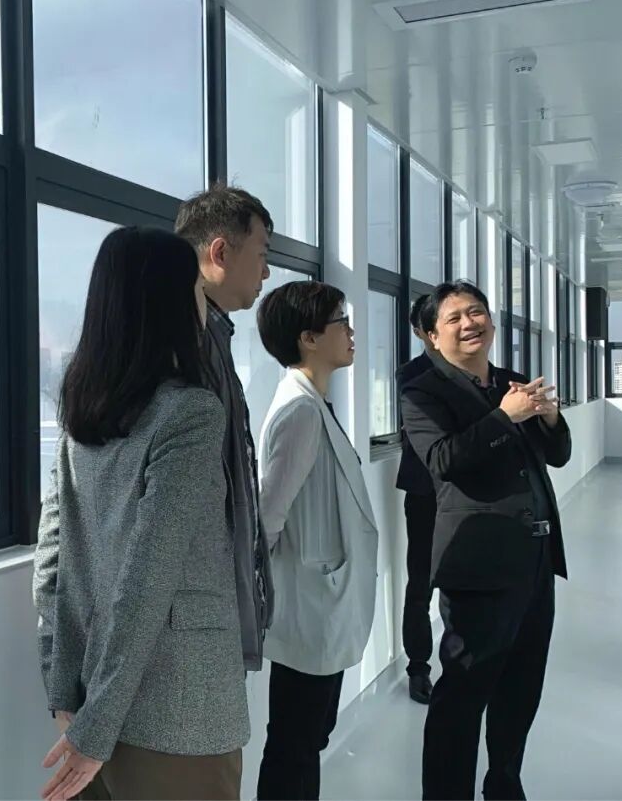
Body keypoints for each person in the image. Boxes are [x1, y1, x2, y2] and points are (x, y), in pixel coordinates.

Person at [32, 228, 248, 801]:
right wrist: (95, 727)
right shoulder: (190, 413)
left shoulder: (81, 414)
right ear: (170, 302)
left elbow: (52, 561)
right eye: (196, 287)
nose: (203, 301)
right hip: (180, 711)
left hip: (89, 699)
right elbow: (148, 578)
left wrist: (65, 689)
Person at [400, 280, 572, 801]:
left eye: (476, 312)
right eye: (454, 318)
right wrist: (504, 417)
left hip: (535, 559)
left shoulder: (510, 382)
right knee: (462, 696)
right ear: (432, 336)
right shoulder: (422, 392)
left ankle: (504, 784)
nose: (469, 323)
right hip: (478, 566)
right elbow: (444, 460)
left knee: (522, 686)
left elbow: (557, 455)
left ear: (492, 322)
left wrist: (550, 418)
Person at [253, 281, 379, 801]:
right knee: (295, 744)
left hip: (318, 599)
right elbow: (268, 515)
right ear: (308, 337)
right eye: (340, 322)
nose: (351, 332)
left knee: (306, 738)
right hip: (308, 604)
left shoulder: (313, 403)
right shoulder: (301, 411)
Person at [175, 183, 275, 674]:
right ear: (219, 253)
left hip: (211, 609)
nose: (266, 272)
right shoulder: (187, 349)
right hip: (195, 621)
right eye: (261, 254)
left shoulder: (214, 337)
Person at [396, 293, 438, 705]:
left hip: (468, 493)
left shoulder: (478, 374)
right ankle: (418, 666)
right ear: (420, 332)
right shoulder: (410, 374)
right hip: (425, 492)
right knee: (420, 581)